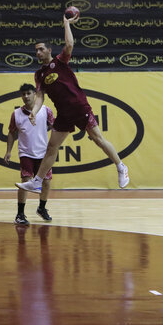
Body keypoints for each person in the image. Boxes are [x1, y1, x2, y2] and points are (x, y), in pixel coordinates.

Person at [14, 13, 129, 194]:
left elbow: (69, 44)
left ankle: (121, 166)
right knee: (51, 147)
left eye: (41, 49)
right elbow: (40, 97)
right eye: (36, 50)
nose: (38, 53)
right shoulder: (38, 75)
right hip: (64, 114)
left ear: (49, 50)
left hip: (79, 106)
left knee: (98, 139)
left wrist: (66, 23)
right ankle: (37, 182)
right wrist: (34, 112)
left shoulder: (60, 61)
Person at [4, 83, 55, 225]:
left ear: (35, 94)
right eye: (23, 94)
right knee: (26, 182)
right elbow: (11, 132)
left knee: (46, 182)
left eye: (28, 93)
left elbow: (54, 126)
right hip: (26, 152)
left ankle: (42, 208)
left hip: (43, 153)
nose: (26, 96)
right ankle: (20, 214)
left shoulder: (46, 111)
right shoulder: (16, 114)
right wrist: (8, 151)